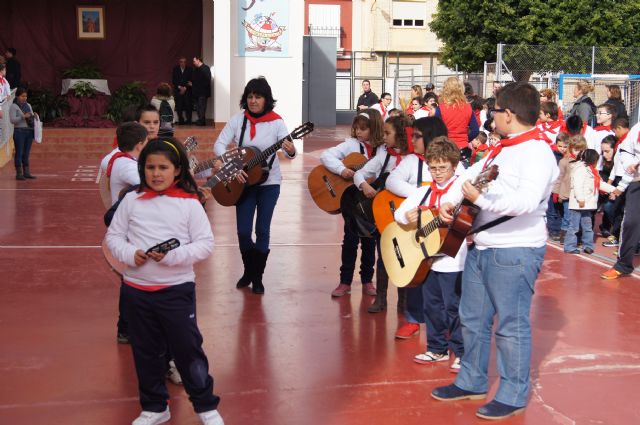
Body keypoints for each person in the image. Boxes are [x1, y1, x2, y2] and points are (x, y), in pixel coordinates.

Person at [431, 82, 559, 420]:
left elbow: (527, 201)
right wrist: (450, 202)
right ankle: (471, 380)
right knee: (472, 319)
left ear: (510, 114)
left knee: (510, 326)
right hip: (483, 246)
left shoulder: (537, 152)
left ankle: (513, 393)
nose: (491, 117)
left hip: (515, 251)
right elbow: (468, 177)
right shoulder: (501, 148)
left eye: (497, 111)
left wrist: (479, 200)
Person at [105, 138, 224, 425]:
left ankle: (206, 407)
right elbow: (113, 237)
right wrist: (130, 254)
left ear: (177, 171)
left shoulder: (189, 204)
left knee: (187, 350)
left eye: (163, 167)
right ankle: (155, 407)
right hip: (136, 292)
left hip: (176, 291)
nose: (156, 174)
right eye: (149, 167)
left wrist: (171, 257)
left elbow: (205, 245)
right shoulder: (131, 201)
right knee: (146, 352)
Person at [213, 77, 296, 294]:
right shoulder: (238, 119)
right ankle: (249, 270)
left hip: (270, 183)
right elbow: (219, 143)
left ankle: (257, 277)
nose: (253, 100)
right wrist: (232, 166)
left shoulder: (277, 122)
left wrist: (291, 149)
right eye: (250, 96)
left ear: (266, 99)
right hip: (244, 182)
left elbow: (289, 151)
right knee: (242, 231)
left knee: (262, 230)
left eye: (258, 96)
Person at [394, 137, 467, 372]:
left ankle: (462, 351)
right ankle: (437, 348)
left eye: (442, 167)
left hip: (453, 257)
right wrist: (408, 216)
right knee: (432, 305)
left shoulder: (460, 188)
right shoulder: (424, 192)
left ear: (454, 166)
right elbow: (399, 214)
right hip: (427, 260)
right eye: (433, 168)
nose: (437, 173)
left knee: (454, 306)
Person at [384, 117, 450, 337]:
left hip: (442, 232)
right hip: (419, 227)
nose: (412, 140)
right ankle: (412, 319)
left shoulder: (451, 162)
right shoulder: (412, 161)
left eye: (417, 136)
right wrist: (421, 196)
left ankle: (445, 326)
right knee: (416, 272)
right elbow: (391, 181)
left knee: (444, 281)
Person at [320, 110, 384, 297]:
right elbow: (326, 156)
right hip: (351, 200)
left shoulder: (382, 149)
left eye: (363, 129)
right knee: (350, 239)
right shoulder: (351, 145)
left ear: (375, 128)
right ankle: (345, 281)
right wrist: (341, 170)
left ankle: (367, 281)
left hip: (371, 199)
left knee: (369, 241)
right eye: (356, 128)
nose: (358, 132)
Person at [601, 120, 640, 279]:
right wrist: (630, 164)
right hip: (636, 181)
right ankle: (623, 264)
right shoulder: (637, 128)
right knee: (630, 221)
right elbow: (625, 151)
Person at [564, 149, 613, 254]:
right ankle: (569, 246)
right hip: (578, 204)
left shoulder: (593, 171)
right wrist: (580, 199)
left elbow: (600, 183)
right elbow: (577, 185)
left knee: (587, 226)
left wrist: (613, 190)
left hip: (588, 204)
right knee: (574, 226)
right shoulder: (580, 169)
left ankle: (588, 245)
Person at [107, 122, 148, 205]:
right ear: (139, 145)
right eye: (146, 143)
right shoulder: (127, 165)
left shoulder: (123, 160)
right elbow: (147, 187)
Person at [435, 77, 479, 152]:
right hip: (463, 148)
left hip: (447, 148)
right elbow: (475, 130)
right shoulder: (468, 107)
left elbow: (436, 131)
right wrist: (465, 139)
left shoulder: (441, 108)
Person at [10, 88, 36, 180]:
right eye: (22, 96)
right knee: (19, 152)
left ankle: (27, 172)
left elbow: (31, 116)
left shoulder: (28, 105)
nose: (24, 98)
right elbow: (12, 120)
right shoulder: (14, 106)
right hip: (19, 131)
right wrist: (23, 116)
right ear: (17, 96)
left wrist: (34, 116)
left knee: (26, 153)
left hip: (29, 131)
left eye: (26, 96)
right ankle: (19, 173)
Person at [172, 57, 193, 125]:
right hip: (178, 90)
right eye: (181, 62)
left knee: (188, 106)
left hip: (187, 91)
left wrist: (185, 88)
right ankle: (181, 120)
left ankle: (189, 120)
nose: (183, 63)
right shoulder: (175, 69)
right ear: (179, 62)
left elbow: (191, 80)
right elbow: (174, 80)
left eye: (184, 62)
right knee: (179, 106)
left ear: (186, 63)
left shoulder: (190, 69)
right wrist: (180, 87)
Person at [191, 56, 212, 126]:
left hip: (203, 93)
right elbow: (195, 80)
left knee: (202, 107)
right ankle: (201, 120)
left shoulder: (206, 68)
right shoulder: (196, 69)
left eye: (194, 61)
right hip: (196, 92)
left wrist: (194, 84)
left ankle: (202, 121)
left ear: (198, 60)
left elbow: (206, 81)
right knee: (198, 107)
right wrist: (192, 84)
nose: (193, 63)